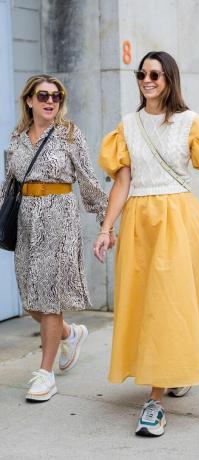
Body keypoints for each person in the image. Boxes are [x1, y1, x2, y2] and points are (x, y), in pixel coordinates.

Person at [94, 51, 199, 437]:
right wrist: (106, 228)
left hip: (179, 223)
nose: (147, 80)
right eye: (142, 74)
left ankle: (155, 402)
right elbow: (122, 183)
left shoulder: (190, 123)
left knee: (169, 306)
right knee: (148, 306)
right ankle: (175, 370)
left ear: (169, 80)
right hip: (139, 226)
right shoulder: (127, 126)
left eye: (155, 75)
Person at [1, 74, 108, 402]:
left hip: (59, 222)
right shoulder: (17, 139)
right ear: (29, 101)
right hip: (27, 225)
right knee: (32, 300)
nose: (51, 101)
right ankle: (69, 333)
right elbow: (8, 185)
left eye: (57, 96)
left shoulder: (69, 135)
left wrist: (106, 221)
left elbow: (89, 180)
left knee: (48, 297)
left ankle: (45, 374)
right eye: (43, 95)